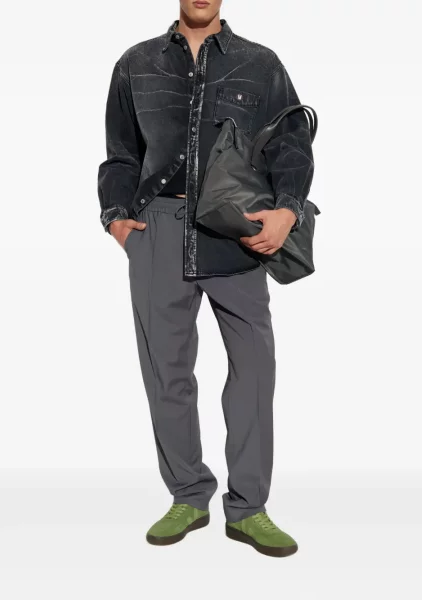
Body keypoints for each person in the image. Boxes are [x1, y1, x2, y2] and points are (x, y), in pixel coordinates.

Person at [97, 0, 314, 558]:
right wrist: (117, 219)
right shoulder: (136, 63)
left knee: (254, 369)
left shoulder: (260, 62)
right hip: (158, 227)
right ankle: (188, 495)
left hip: (236, 229)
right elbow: (121, 153)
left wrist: (288, 210)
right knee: (166, 372)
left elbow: (292, 142)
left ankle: (249, 508)